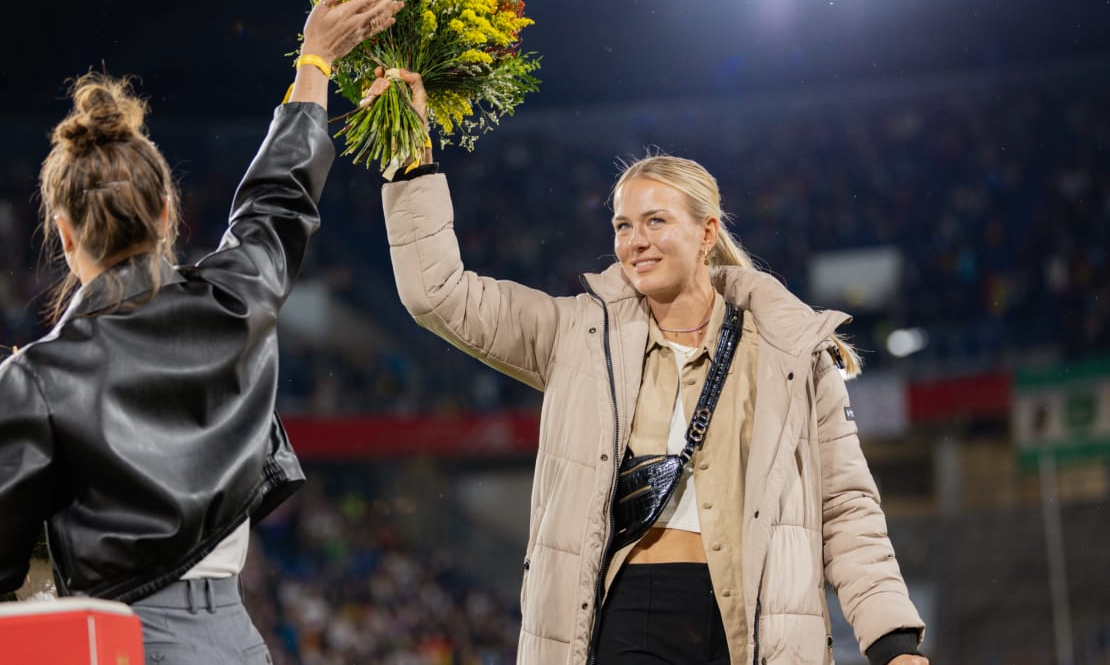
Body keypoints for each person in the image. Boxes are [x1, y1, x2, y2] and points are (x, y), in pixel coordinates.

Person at [372, 69, 928, 664]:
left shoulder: (792, 350)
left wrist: (893, 643)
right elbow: (439, 295)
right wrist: (411, 161)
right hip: (631, 619)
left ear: (707, 233)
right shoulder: (577, 334)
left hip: (757, 627)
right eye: (622, 226)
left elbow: (846, 507)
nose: (635, 240)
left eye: (656, 221)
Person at [0, 0, 405, 663]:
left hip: (131, 640)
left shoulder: (36, 378)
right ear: (165, 214)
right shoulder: (235, 299)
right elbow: (280, 195)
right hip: (240, 640)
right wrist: (315, 59)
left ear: (63, 233)